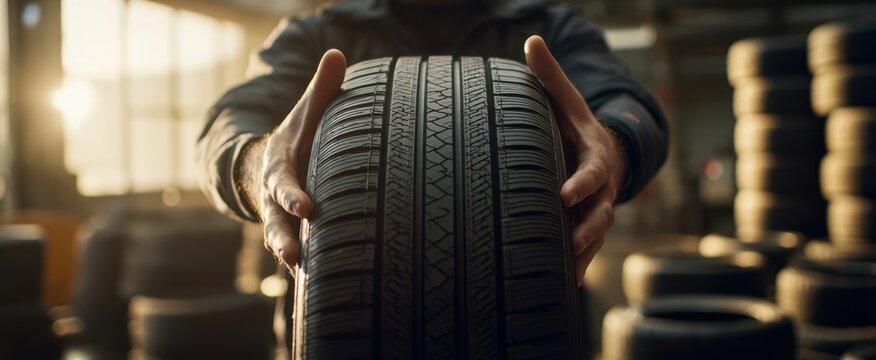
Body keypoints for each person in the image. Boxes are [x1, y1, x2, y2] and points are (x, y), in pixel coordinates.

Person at [197, 0, 667, 352]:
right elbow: (224, 130)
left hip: (528, 333)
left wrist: (612, 146)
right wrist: (261, 164)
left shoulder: (550, 27)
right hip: (347, 335)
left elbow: (632, 109)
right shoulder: (318, 33)